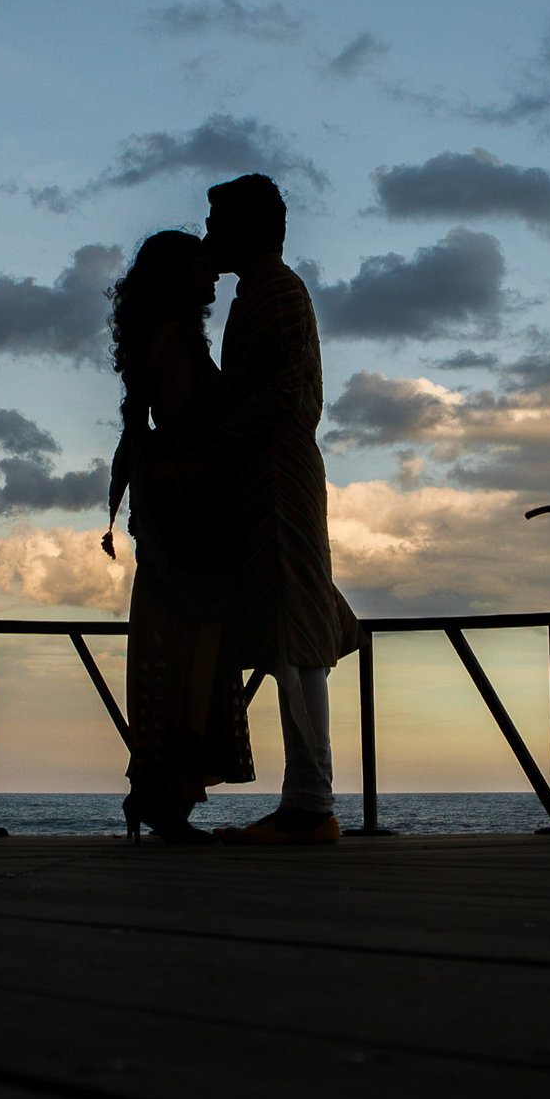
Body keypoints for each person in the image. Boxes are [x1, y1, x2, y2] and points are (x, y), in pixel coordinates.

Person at [200, 174, 361, 845]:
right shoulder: (260, 294)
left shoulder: (278, 292)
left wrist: (214, 437)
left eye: (219, 224)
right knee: (289, 626)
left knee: (296, 631)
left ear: (248, 229)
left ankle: (311, 802)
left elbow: (287, 397)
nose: (210, 235)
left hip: (278, 476)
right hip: (266, 475)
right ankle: (305, 798)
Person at [101, 230, 254, 843]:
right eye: (199, 264)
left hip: (174, 521)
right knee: (190, 656)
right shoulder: (176, 342)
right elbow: (191, 424)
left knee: (177, 653)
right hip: (188, 526)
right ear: (175, 278)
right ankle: (165, 799)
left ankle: (160, 796)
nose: (212, 271)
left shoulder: (161, 340)